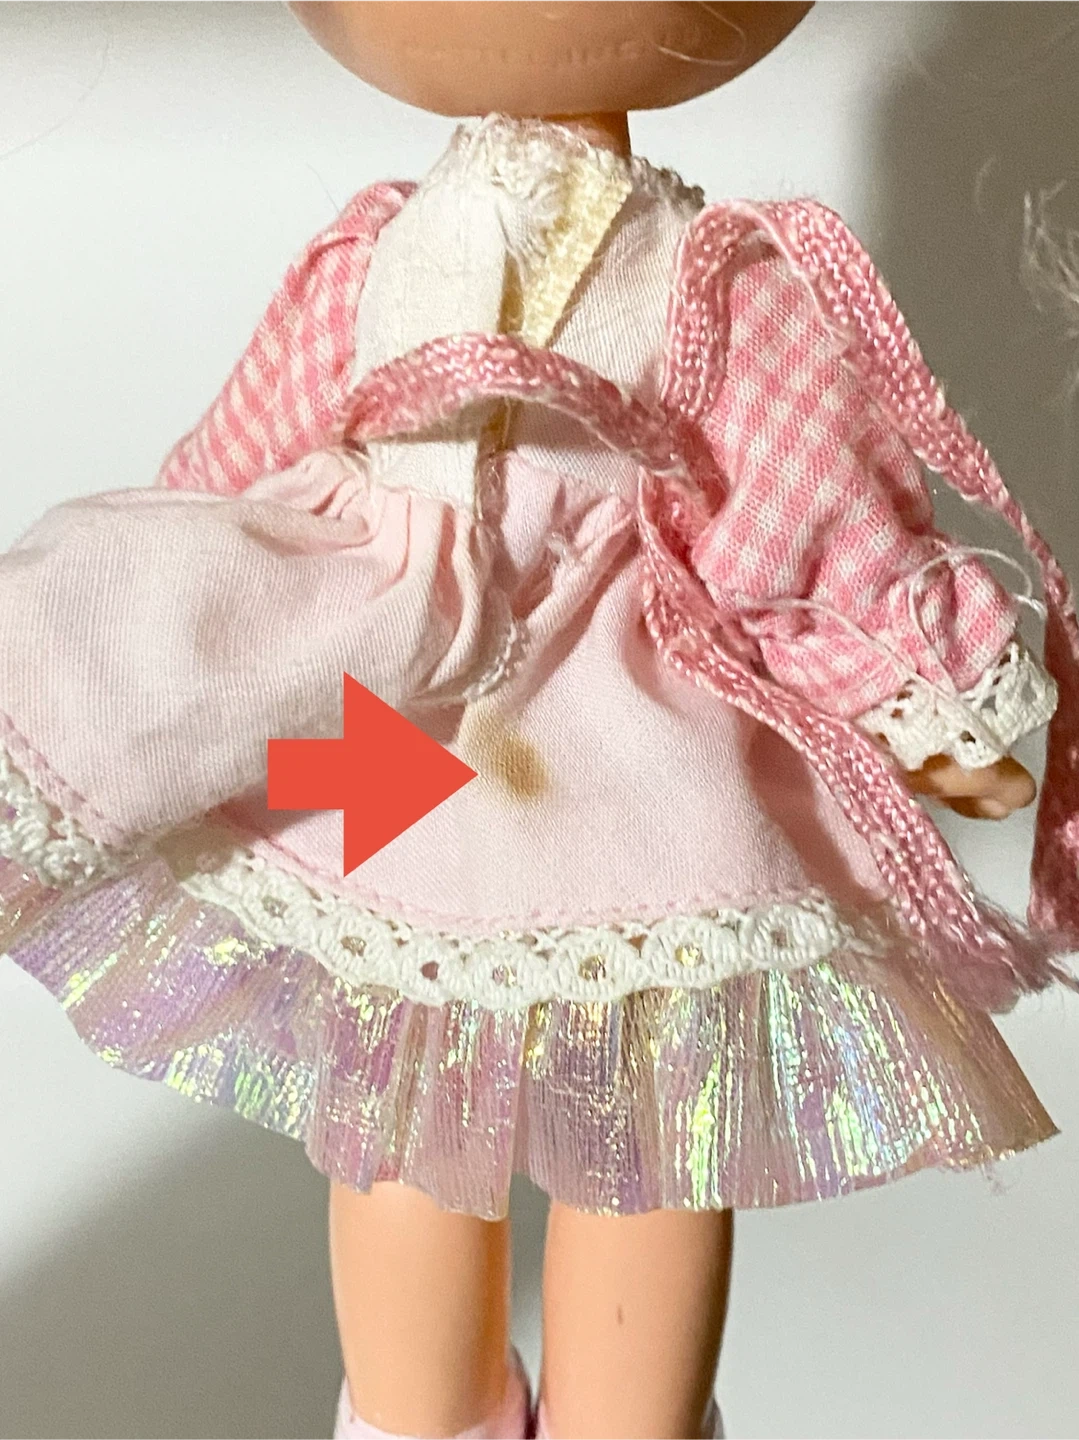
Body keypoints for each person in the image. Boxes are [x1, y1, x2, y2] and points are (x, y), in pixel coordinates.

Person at [1, 4, 1077, 1438]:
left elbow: (801, 537)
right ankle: (424, 1415)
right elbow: (232, 478)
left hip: (615, 748)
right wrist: (185, 638)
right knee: (404, 1097)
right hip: (401, 730)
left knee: (624, 1129)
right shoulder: (379, 258)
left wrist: (926, 713)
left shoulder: (715, 292)